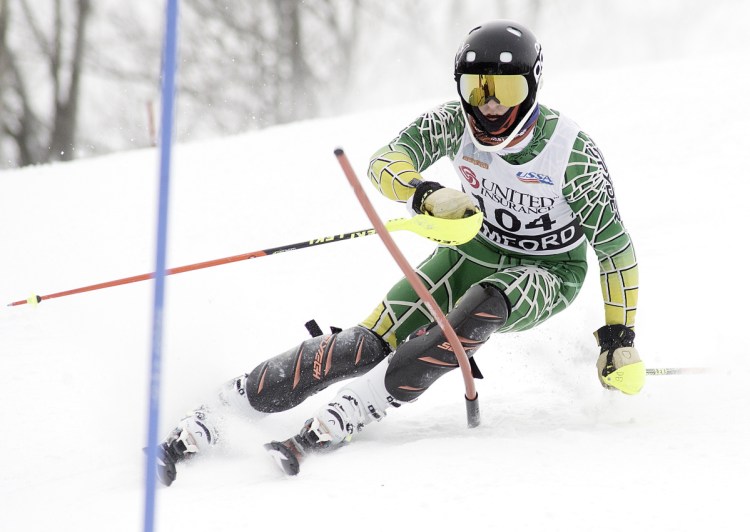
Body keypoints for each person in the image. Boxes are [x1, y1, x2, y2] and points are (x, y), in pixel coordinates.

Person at [155, 19, 642, 484]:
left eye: (506, 90)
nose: (490, 106)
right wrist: (423, 192)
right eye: (477, 88)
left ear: (532, 87)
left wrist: (617, 338)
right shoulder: (454, 124)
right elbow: (387, 161)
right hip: (471, 250)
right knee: (366, 343)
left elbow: (615, 251)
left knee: (483, 307)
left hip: (549, 270)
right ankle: (227, 407)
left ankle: (359, 406)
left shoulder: (570, 154)